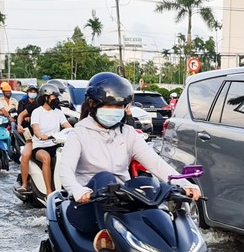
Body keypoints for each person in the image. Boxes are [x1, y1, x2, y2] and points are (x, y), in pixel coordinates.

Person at [59, 72, 200, 235]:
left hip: (123, 205)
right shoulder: (79, 133)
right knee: (105, 177)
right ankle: (108, 239)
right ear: (93, 104)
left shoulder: (128, 133)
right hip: (87, 207)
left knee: (144, 182)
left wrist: (184, 184)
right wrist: (77, 190)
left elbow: (156, 163)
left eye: (119, 106)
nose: (115, 110)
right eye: (109, 105)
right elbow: (66, 170)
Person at [18, 83, 72, 194]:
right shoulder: (36, 112)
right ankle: (48, 191)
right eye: (54, 97)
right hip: (40, 145)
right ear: (46, 97)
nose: (56, 99)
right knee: (46, 158)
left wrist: (75, 131)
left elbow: (66, 125)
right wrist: (40, 136)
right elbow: (36, 129)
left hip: (55, 144)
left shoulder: (58, 112)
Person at [15, 84, 39, 188]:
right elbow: (20, 115)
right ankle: (24, 183)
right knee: (25, 154)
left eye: (35, 92)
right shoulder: (31, 104)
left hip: (48, 138)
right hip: (29, 132)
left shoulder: (57, 110)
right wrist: (20, 124)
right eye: (31, 91)